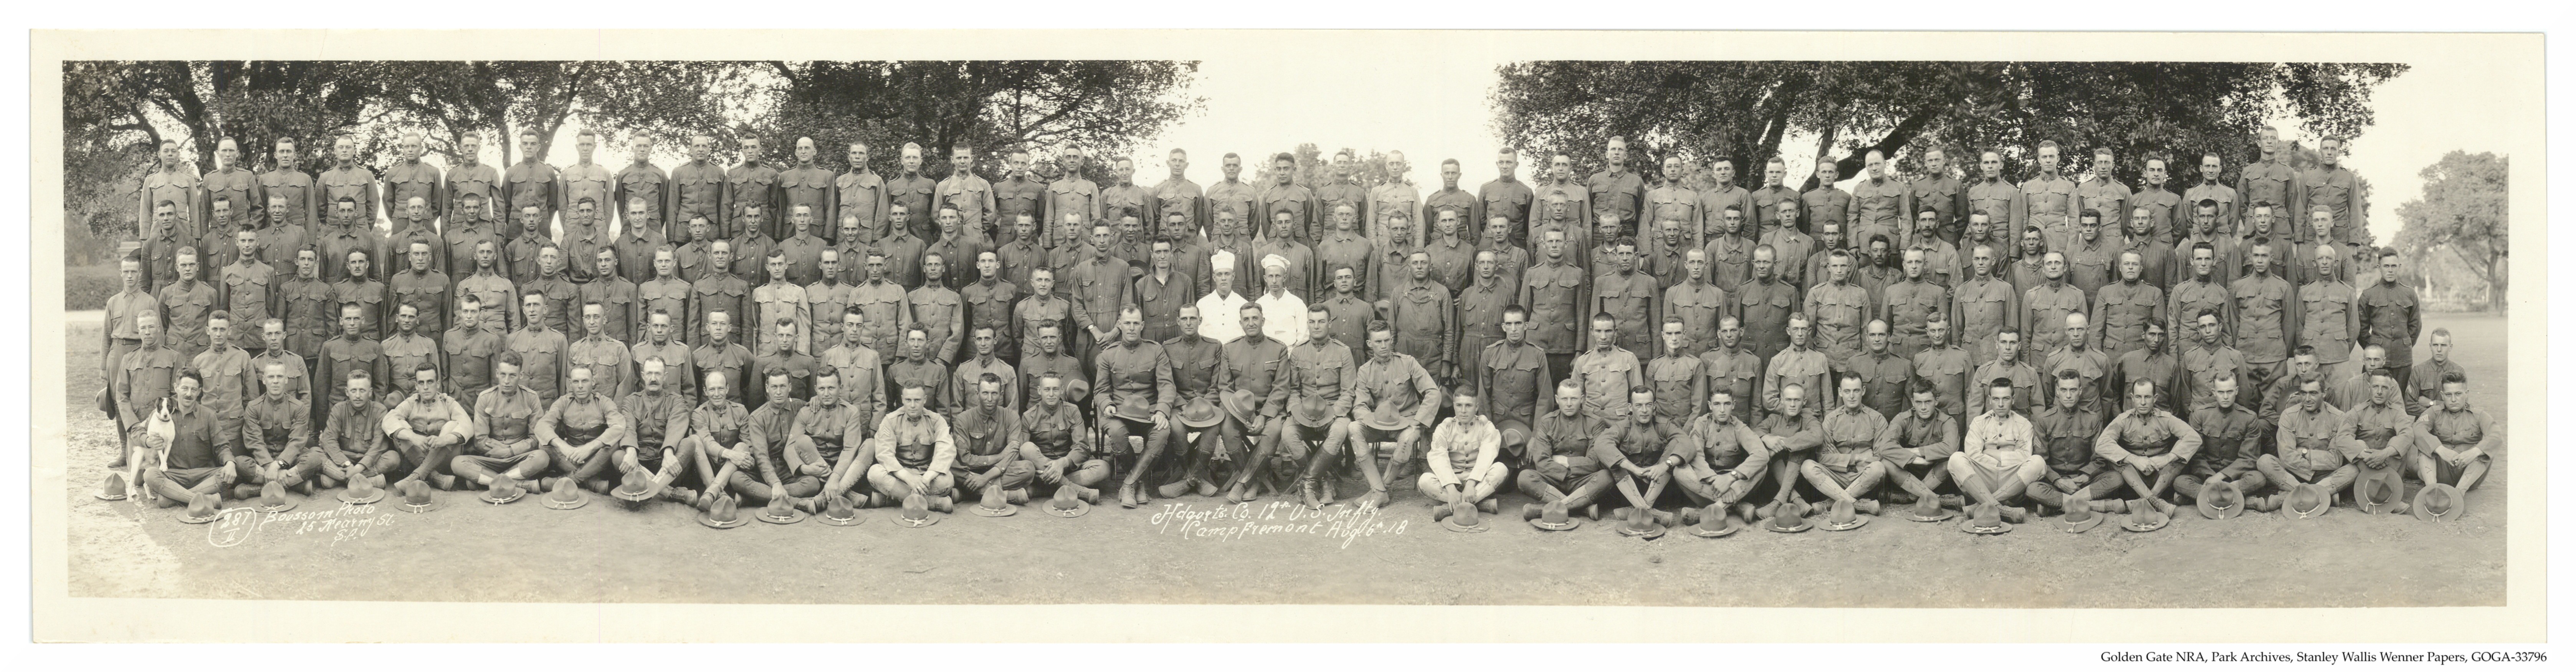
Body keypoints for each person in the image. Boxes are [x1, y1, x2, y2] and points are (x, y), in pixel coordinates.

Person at [1095, 307, 1176, 508]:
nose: (1132, 328)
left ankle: (1129, 483)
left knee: (1162, 431)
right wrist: (1107, 405)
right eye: (1127, 323)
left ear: (1143, 326)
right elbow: (1101, 391)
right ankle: (1138, 485)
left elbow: (1167, 385)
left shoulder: (1155, 350)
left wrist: (1162, 411)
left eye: (1136, 323)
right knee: (1116, 432)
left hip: (1148, 412)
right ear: (1120, 324)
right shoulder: (1108, 354)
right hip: (1119, 413)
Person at [1277, 305, 1357, 509]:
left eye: (1322, 322)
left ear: (1330, 324)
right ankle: (1324, 480)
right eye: (1312, 322)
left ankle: (1307, 485)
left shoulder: (1343, 352)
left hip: (1333, 411)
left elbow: (1348, 392)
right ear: (1308, 324)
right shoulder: (1297, 352)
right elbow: (1294, 390)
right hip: (1304, 413)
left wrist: (1335, 414)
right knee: (1287, 434)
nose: (1317, 326)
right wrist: (1296, 411)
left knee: (1341, 430)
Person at [1215, 303, 1292, 502]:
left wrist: (1265, 415)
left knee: (1273, 431)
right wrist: (1245, 416)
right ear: (1241, 323)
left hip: (1271, 411)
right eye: (1247, 319)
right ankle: (1255, 481)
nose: (1251, 323)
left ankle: (1242, 484)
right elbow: (1225, 388)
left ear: (1263, 321)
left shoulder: (1279, 349)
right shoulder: (1230, 349)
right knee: (1228, 430)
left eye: (1255, 318)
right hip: (1238, 412)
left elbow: (1282, 387)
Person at [2093, 379, 2202, 513]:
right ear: (2132, 398)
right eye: (2139, 397)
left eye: (2148, 397)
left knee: (2180, 455)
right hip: (2133, 478)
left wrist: (2167, 458)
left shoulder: (2166, 419)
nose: (2143, 402)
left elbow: (2194, 438)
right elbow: (2101, 445)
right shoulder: (2123, 420)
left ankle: (2146, 500)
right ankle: (2155, 501)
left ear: (2155, 398)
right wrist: (2134, 459)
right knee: (2117, 458)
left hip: (2161, 477)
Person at [2256, 376, 2363, 510]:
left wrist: (2305, 452)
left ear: (2324, 394)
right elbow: (2286, 456)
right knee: (2264, 461)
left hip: (2326, 476)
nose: (2307, 399)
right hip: (2293, 474)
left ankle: (2288, 496)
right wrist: (2313, 465)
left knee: (2354, 469)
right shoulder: (2289, 415)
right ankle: (2321, 495)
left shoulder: (2339, 417)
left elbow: (2336, 460)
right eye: (2304, 393)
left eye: (2313, 393)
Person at [455, 353, 552, 496]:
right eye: (503, 375)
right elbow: (480, 440)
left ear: (521, 375)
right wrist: (499, 451)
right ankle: (518, 483)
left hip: (519, 459)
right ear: (497, 373)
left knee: (542, 458)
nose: (507, 381)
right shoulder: (485, 398)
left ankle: (487, 482)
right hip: (491, 459)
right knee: (458, 463)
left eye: (512, 376)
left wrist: (510, 451)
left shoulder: (531, 398)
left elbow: (536, 439)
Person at [1155, 304, 1227, 498]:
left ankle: (1188, 481)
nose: (1189, 323)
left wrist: (1204, 406)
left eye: (1193, 319)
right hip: (1180, 407)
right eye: (1185, 319)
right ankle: (1199, 478)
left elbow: (1217, 385)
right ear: (1178, 322)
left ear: (1200, 321)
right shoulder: (1168, 348)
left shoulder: (1214, 347)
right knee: (1176, 428)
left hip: (1208, 407)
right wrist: (1182, 406)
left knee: (1213, 430)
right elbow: (1168, 383)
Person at [1950, 377, 2045, 522]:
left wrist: (1990, 452)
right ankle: (2001, 508)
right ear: (1990, 400)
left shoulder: (2024, 424)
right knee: (1956, 458)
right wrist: (2004, 460)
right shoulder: (1979, 423)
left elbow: (2025, 456)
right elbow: (1973, 455)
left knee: (2038, 462)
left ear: (2013, 400)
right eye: (1996, 399)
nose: (2001, 404)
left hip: (2013, 479)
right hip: (1982, 478)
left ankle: (1982, 505)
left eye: (2006, 399)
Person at [2025, 371, 2119, 515]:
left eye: (2073, 390)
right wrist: (2058, 481)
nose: (2068, 395)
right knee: (2032, 489)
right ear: (2058, 391)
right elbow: (2041, 462)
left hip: (2085, 483)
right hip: (2055, 483)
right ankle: (2095, 506)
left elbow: (2100, 459)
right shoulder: (2044, 420)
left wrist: (2085, 476)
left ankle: (2056, 505)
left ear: (2080, 391)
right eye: (2064, 390)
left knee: (2116, 478)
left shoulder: (2092, 419)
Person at [138, 371, 234, 508]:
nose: (189, 394)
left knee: (226, 473)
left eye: (194, 390)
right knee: (150, 474)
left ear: (199, 391)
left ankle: (175, 498)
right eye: (185, 388)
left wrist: (230, 462)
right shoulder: (162, 412)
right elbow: (138, 430)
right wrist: (147, 440)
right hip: (172, 475)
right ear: (176, 388)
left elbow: (222, 446)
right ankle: (202, 499)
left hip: (202, 475)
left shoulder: (208, 416)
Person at [2177, 373, 2273, 509]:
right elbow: (2196, 455)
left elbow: (2249, 458)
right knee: (2179, 482)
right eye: (2221, 392)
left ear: (2237, 391)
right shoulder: (2200, 414)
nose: (2226, 397)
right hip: (2206, 476)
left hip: (2236, 477)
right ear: (2214, 393)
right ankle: (2242, 500)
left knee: (2259, 479)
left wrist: (2221, 477)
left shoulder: (2249, 418)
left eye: (2230, 392)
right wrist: (2211, 477)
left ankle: (2206, 498)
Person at [534, 366, 632, 495]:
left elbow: (618, 427)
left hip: (598, 459)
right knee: (545, 443)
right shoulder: (563, 402)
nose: (580, 386)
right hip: (570, 458)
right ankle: (591, 482)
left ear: (593, 382)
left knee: (615, 444)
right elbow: (542, 426)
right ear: (570, 384)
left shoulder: (604, 403)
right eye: (576, 382)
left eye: (585, 381)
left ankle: (570, 480)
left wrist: (590, 447)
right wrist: (563, 446)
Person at [618, 356, 701, 506]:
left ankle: (643, 492)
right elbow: (629, 428)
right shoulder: (631, 401)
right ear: (643, 376)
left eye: (658, 374)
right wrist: (631, 452)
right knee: (618, 455)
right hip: (639, 463)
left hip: (666, 465)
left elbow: (676, 427)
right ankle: (670, 493)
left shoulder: (676, 400)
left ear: (665, 377)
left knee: (689, 443)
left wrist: (669, 453)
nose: (654, 379)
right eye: (649, 374)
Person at [949, 372, 1036, 508]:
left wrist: (986, 478)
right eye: (985, 393)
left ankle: (967, 494)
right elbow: (965, 459)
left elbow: (1013, 454)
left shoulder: (1011, 417)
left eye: (994, 394)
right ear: (977, 394)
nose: (989, 399)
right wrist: (1000, 456)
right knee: (950, 465)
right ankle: (1006, 496)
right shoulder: (964, 419)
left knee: (1028, 469)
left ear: (1001, 394)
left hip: (999, 472)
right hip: (971, 471)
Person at [1017, 373, 1103, 507]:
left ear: (1062, 390)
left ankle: (1045, 490)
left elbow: (1082, 447)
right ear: (1040, 391)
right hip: (1042, 471)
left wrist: (1062, 463)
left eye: (1055, 389)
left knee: (1103, 468)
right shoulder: (1029, 416)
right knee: (1026, 448)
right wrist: (1047, 468)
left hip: (1068, 467)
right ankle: (1079, 491)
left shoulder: (1073, 411)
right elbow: (1023, 453)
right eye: (1047, 390)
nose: (1051, 394)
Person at [236, 360, 317, 498]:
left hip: (291, 460)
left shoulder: (298, 407)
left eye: (280, 377)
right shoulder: (254, 407)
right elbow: (255, 442)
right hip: (263, 461)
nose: (275, 381)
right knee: (239, 463)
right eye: (271, 377)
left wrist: (278, 465)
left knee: (314, 459)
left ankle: (257, 489)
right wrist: (270, 466)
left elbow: (297, 442)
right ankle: (295, 484)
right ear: (264, 380)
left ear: (286, 380)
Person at [1421, 391, 1508, 520]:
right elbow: (1439, 458)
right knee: (1425, 481)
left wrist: (1471, 485)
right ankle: (1479, 504)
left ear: (1477, 407)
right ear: (1454, 406)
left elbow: (1487, 456)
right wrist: (1450, 489)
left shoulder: (1486, 426)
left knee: (1501, 469)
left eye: (1469, 406)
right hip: (1452, 478)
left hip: (1477, 481)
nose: (1463, 411)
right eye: (1459, 406)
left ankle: (1453, 506)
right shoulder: (1445, 427)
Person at [2409, 371, 2494, 497]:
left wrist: (2474, 452)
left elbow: (2496, 436)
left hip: (2469, 476)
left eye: (2458, 394)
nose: (2453, 400)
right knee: (2426, 449)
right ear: (2442, 396)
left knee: (2486, 450)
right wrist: (2441, 450)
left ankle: (2459, 493)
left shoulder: (2479, 415)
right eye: (2449, 395)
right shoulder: (2433, 412)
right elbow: (2417, 430)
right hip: (2440, 473)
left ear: (2467, 394)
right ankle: (2432, 491)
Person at [1519, 228, 1587, 382]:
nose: (1554, 245)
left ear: (1566, 245)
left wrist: (1579, 352)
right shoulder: (1532, 273)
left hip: (1565, 346)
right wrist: (1522, 346)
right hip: (1535, 344)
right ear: (1544, 245)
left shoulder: (1577, 274)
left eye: (1559, 241)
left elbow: (1582, 315)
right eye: (1550, 241)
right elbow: (1523, 313)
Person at [1875, 386, 1959, 508]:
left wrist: (1916, 451)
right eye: (1919, 402)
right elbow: (1886, 447)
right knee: (1886, 462)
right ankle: (1938, 500)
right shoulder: (1902, 419)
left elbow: (1951, 448)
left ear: (1936, 401)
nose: (1923, 407)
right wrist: (1916, 459)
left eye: (1928, 402)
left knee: (1951, 461)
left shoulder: (1947, 421)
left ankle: (1911, 496)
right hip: (1908, 473)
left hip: (1936, 474)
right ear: (1913, 402)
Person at [2231, 238, 2297, 389]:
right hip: (2245, 354)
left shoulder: (2283, 287)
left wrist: (2281, 354)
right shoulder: (2238, 287)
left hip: (2274, 357)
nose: (2260, 261)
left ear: (2272, 258)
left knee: (2274, 404)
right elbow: (2234, 323)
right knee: (2247, 403)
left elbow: (2289, 326)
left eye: (2264, 256)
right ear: (2250, 257)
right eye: (2256, 256)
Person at [2356, 247, 2421, 391]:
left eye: (2394, 266)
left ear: (2400, 267)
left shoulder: (2410, 294)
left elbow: (2415, 327)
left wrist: (2404, 344)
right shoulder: (2368, 295)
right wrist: (2373, 349)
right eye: (2386, 266)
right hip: (2377, 361)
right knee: (2373, 397)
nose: (2390, 270)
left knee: (2401, 401)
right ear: (2379, 268)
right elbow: (2361, 329)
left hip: (2402, 359)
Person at [2298, 244, 2362, 384]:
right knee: (2312, 399)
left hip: (2338, 359)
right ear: (2315, 263)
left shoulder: (2347, 292)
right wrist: (2307, 355)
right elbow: (2299, 327)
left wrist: (2341, 350)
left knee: (2339, 400)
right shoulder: (2305, 292)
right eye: (2321, 259)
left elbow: (2353, 328)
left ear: (2336, 262)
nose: (2325, 262)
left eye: (2329, 258)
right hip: (2312, 358)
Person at [505, 292, 571, 408]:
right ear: (524, 310)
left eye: (536, 305)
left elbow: (562, 381)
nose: (532, 310)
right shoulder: (513, 339)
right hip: (519, 405)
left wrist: (561, 409)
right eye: (528, 305)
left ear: (545, 309)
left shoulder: (559, 340)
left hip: (547, 406)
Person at [2110, 322, 2182, 415]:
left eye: (2161, 335)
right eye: (2152, 334)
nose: (2157, 340)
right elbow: (2115, 394)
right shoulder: (2127, 360)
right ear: (2143, 335)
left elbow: (2176, 404)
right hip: (2131, 424)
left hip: (2161, 426)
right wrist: (2120, 419)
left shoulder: (2172, 365)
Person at [2409, 328, 2465, 417]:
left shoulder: (2459, 371)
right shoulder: (2419, 371)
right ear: (2430, 346)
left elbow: (2463, 405)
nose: (2439, 350)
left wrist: (2432, 403)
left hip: (2451, 423)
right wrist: (2442, 408)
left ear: (2450, 347)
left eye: (2443, 345)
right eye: (2435, 345)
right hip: (2425, 423)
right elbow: (2409, 406)